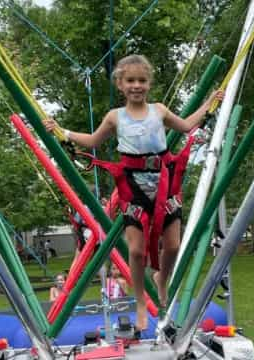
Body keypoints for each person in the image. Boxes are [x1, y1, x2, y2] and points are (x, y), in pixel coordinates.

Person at [44, 54, 223, 331]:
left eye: (141, 80)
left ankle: (162, 279)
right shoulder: (115, 117)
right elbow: (93, 141)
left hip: (164, 181)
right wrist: (61, 131)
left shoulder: (160, 111)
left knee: (173, 245)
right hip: (133, 185)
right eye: (130, 80)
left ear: (149, 83)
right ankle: (140, 300)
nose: (136, 85)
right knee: (137, 252)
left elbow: (187, 125)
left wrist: (210, 101)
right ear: (120, 84)